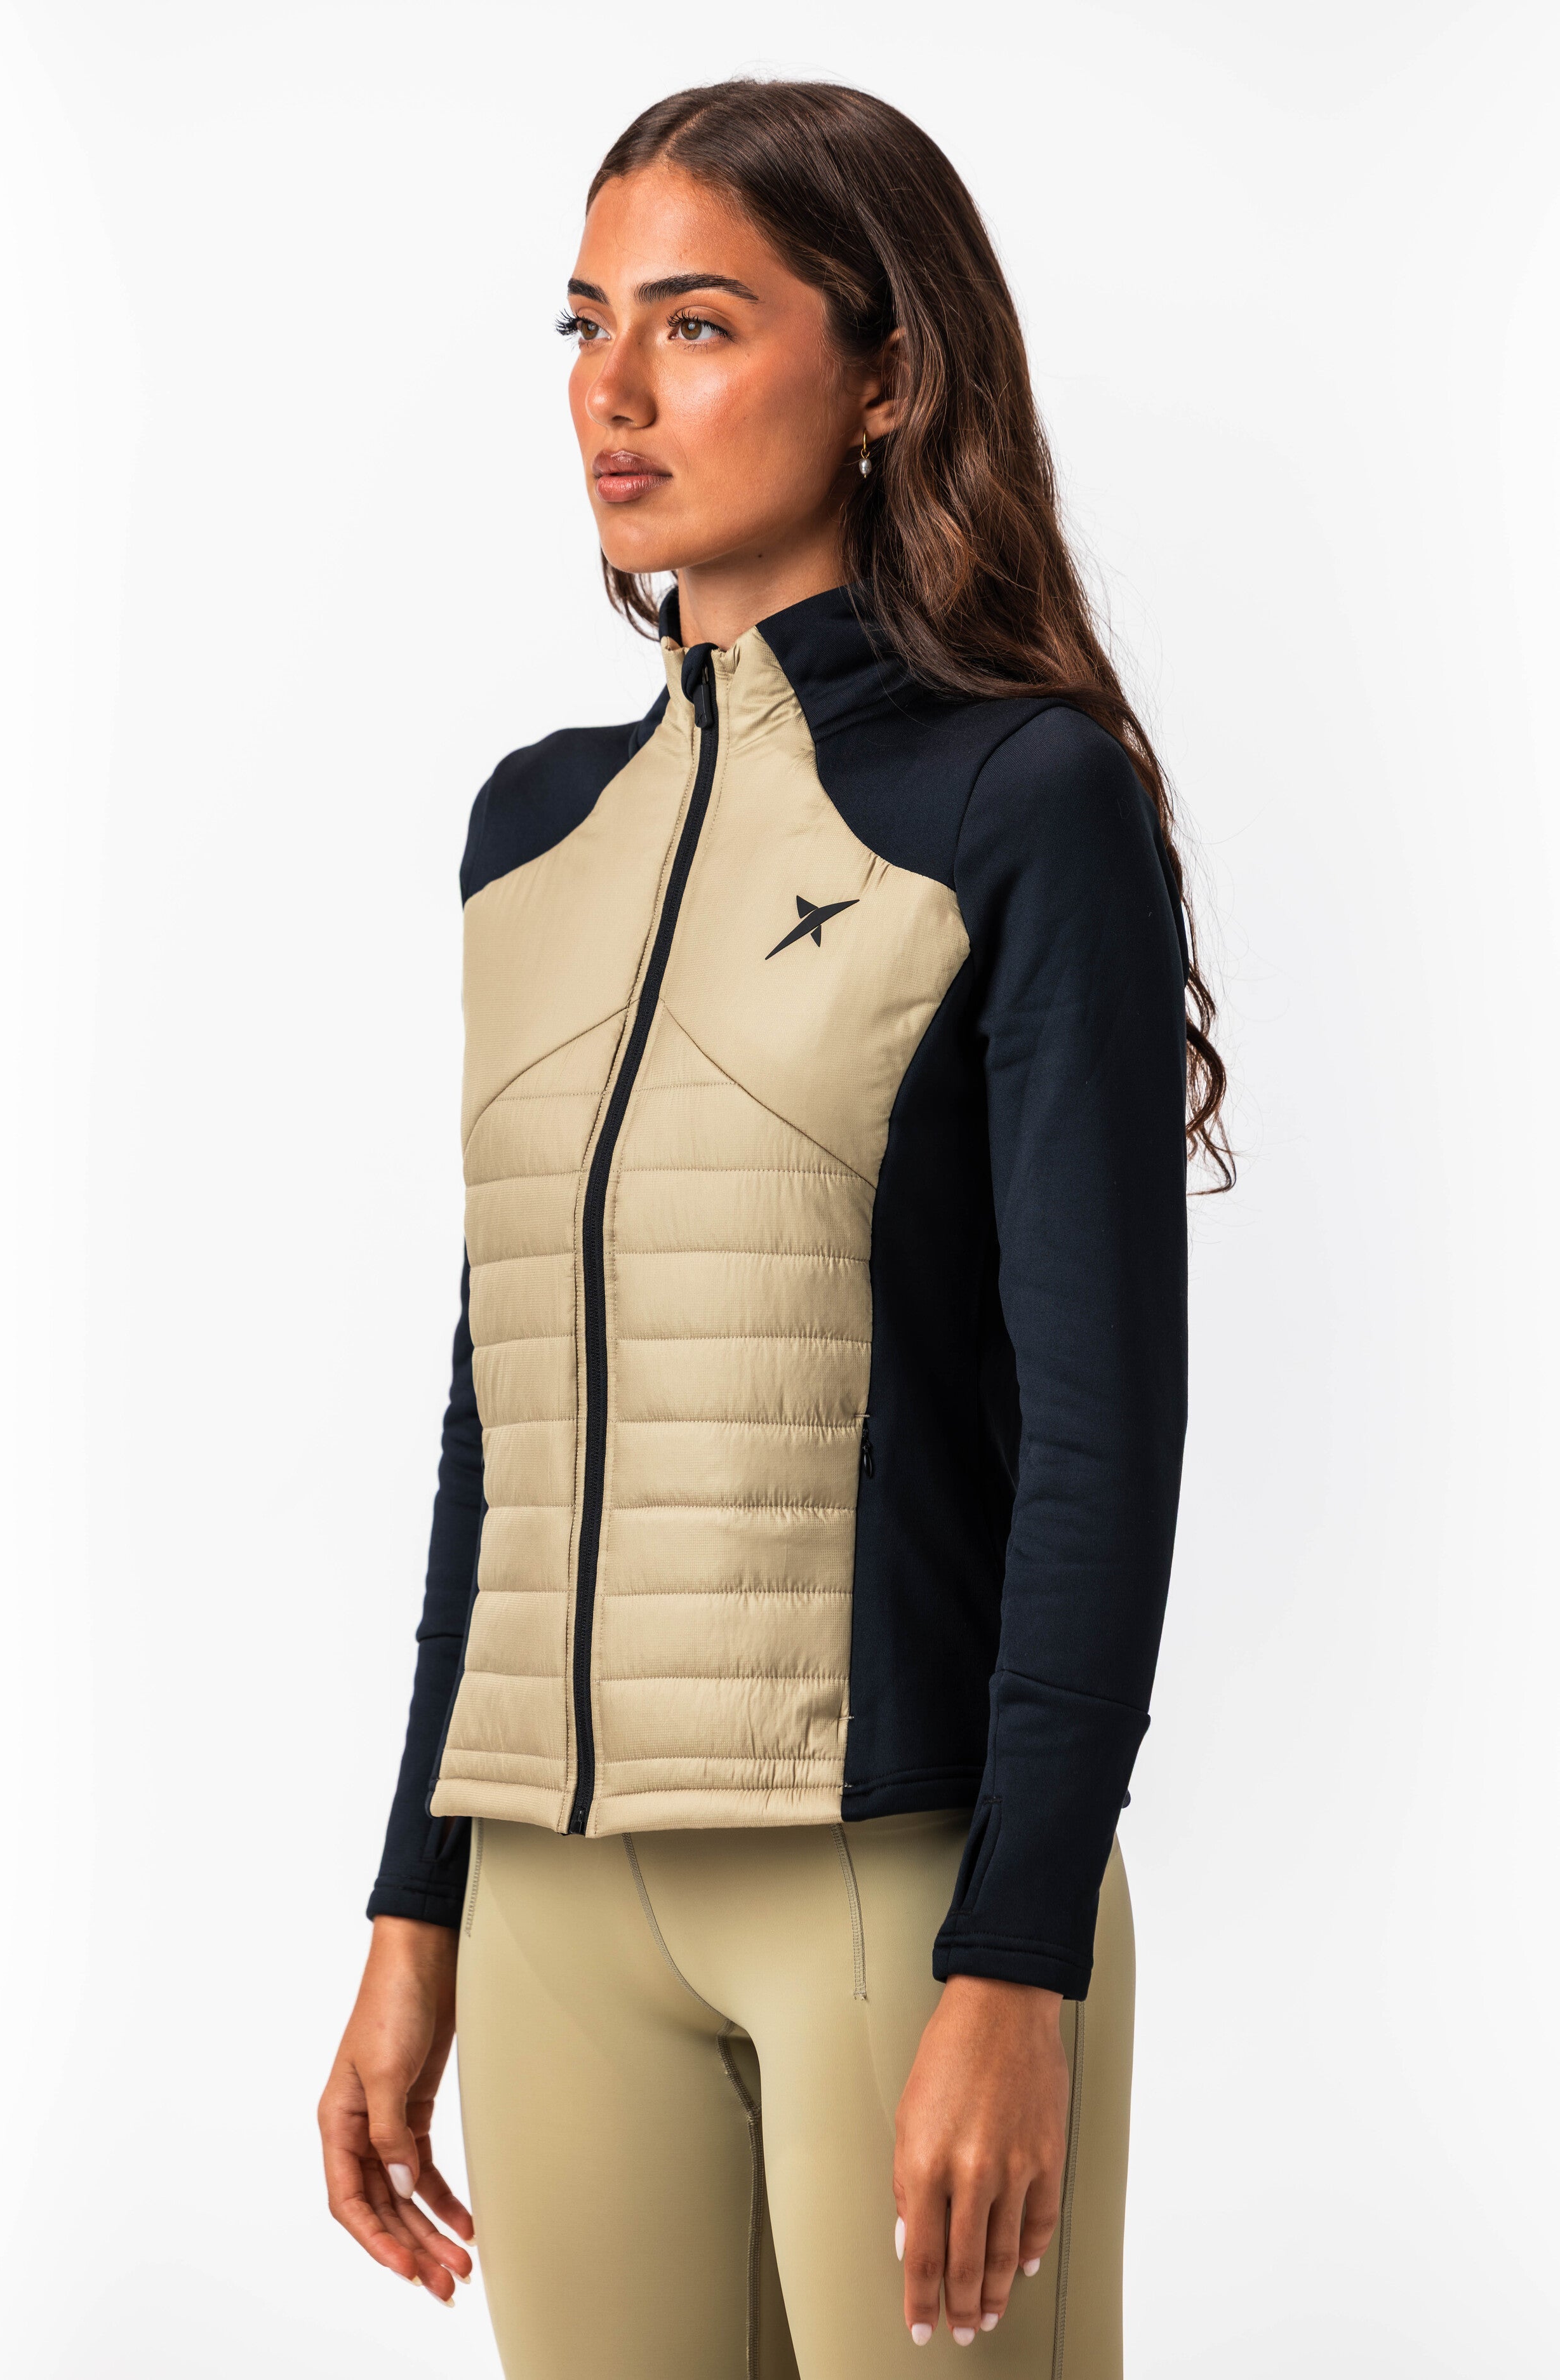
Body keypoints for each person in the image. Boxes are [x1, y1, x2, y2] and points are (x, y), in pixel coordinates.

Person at [317, 76, 1229, 2379]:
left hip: (891, 1878)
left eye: (699, 323)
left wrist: (1015, 1951)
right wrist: (418, 1899)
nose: (612, 391)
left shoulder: (1016, 796)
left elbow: (1103, 1430)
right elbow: (499, 1418)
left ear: (886, 373)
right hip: (548, 1901)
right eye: (586, 323)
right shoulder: (532, 829)